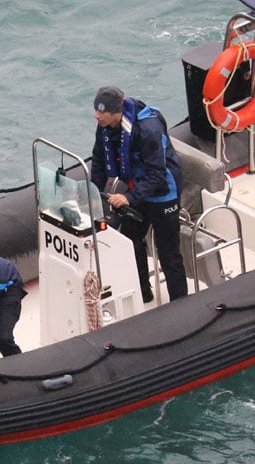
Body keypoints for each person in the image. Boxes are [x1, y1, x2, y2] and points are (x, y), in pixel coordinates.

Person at [89, 85, 187, 302]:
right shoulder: (105, 127)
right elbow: (99, 161)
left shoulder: (147, 129)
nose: (97, 115)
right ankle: (143, 292)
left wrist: (128, 197)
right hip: (138, 187)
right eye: (96, 109)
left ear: (117, 112)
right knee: (131, 239)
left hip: (163, 192)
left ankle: (181, 303)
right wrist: (92, 192)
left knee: (168, 253)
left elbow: (157, 175)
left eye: (102, 111)